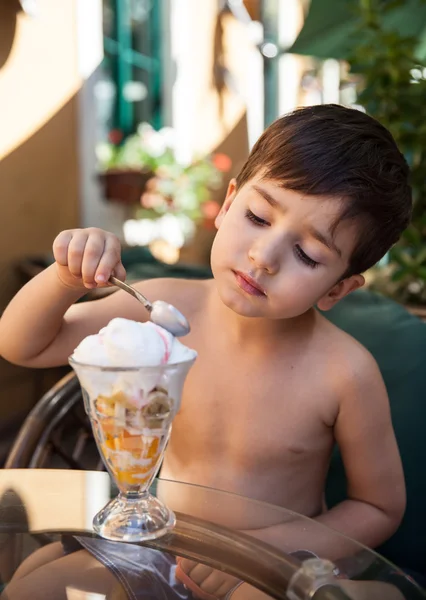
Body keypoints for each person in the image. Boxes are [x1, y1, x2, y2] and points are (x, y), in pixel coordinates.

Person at [0, 104, 411, 600]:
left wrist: (254, 549)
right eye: (258, 217)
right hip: (161, 542)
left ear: (338, 289)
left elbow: (379, 506)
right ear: (230, 201)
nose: (264, 257)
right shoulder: (158, 309)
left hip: (277, 558)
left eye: (307, 254)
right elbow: (24, 344)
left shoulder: (343, 371)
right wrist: (66, 278)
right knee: (36, 586)